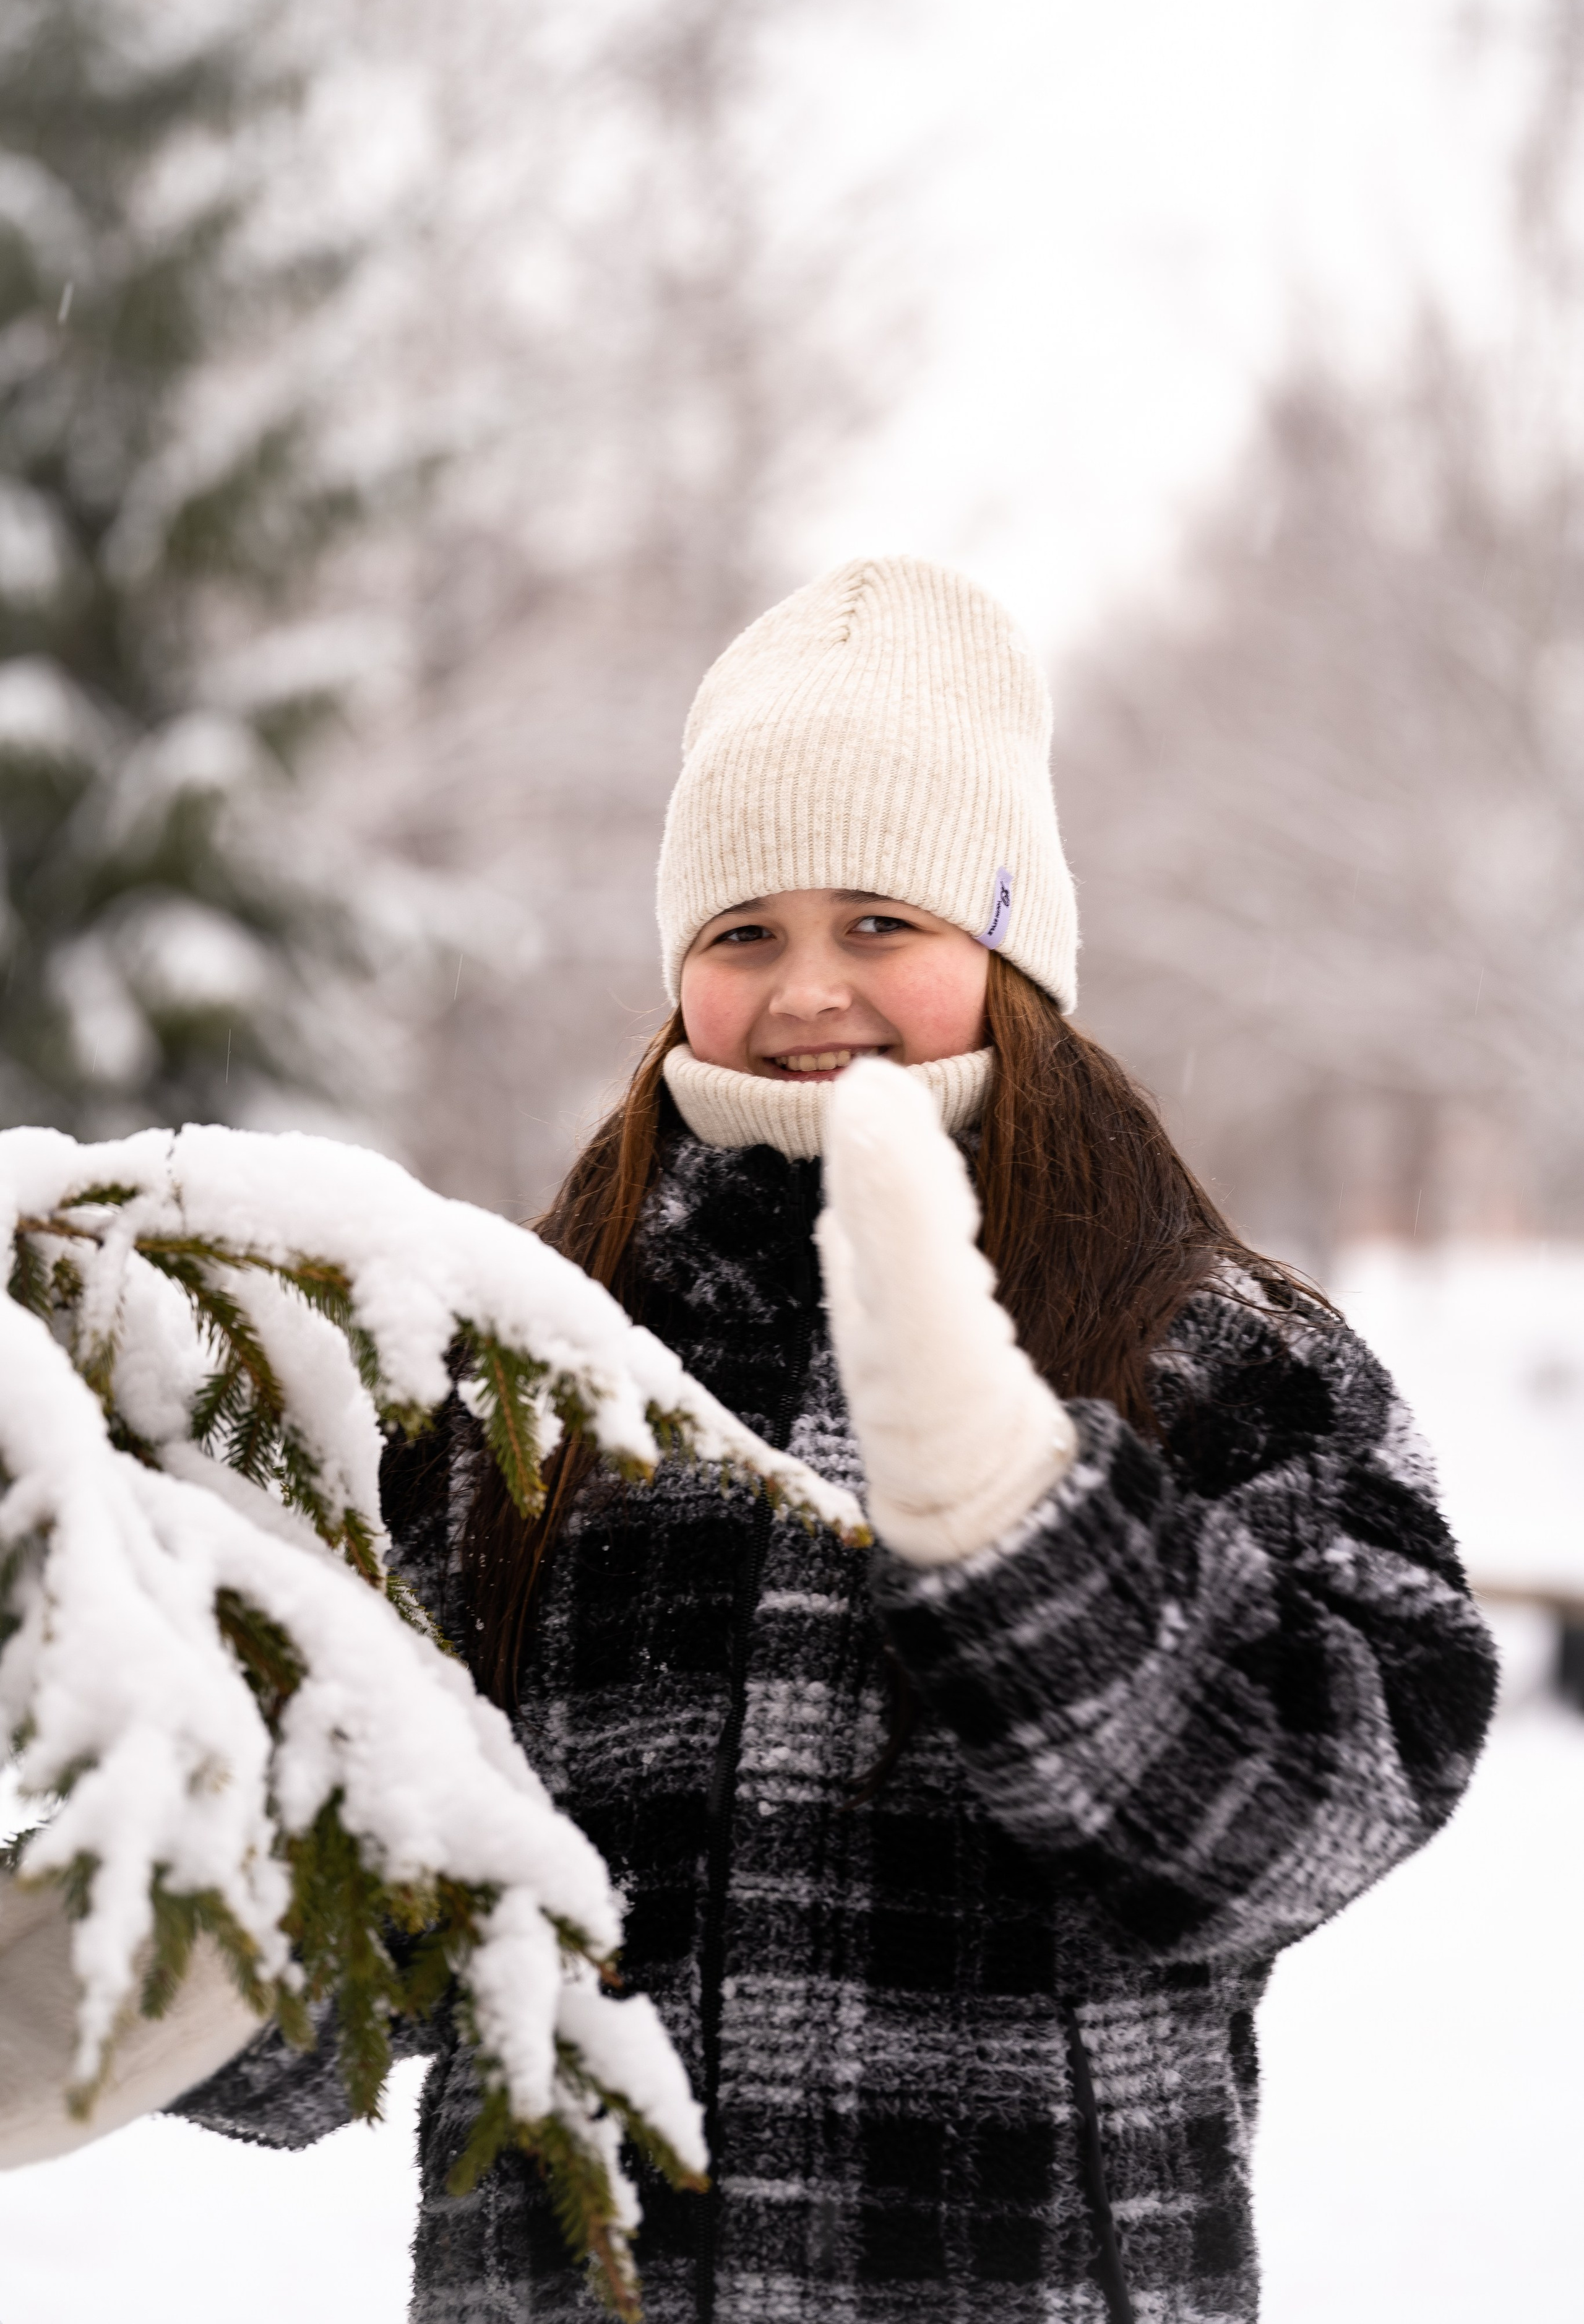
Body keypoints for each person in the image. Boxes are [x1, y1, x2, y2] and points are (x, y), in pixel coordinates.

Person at [174, 556, 1497, 2322]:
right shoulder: (531, 1369)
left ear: (1010, 947)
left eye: (882, 921)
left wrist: (1023, 1522)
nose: (809, 993)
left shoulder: (1219, 1360)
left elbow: (1306, 1825)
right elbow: (389, 1923)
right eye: (744, 934)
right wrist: (113, 1943)